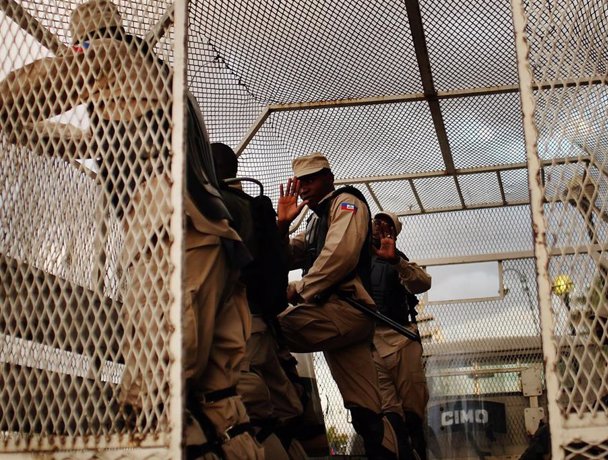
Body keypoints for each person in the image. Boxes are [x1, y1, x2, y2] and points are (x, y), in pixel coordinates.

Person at [0, 2, 261, 457]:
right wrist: (21, 132)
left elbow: (36, 89)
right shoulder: (156, 81)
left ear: (89, 37)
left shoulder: (107, 53)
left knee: (158, 382)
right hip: (206, 235)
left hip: (167, 229)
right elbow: (86, 144)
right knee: (216, 399)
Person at [276, 152, 403, 459]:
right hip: (338, 318)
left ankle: (289, 411)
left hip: (344, 311)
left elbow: (339, 255)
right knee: (366, 412)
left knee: (268, 330)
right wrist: (280, 227)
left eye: (312, 179)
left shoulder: (347, 204)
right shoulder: (317, 220)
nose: (304, 187)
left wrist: (298, 289)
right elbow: (288, 255)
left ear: (329, 178)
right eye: (300, 181)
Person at [211, 142, 306, 459]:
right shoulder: (254, 207)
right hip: (263, 324)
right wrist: (280, 227)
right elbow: (272, 263)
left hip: (238, 327)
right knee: (285, 405)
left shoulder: (214, 208)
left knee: (252, 409)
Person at [370, 211, 432, 459]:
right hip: (372, 344)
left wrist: (395, 260)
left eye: (387, 226)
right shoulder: (356, 258)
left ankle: (417, 450)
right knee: (388, 413)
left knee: (413, 411)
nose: (380, 227)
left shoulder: (399, 261)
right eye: (377, 222)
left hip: (402, 338)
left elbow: (422, 283)